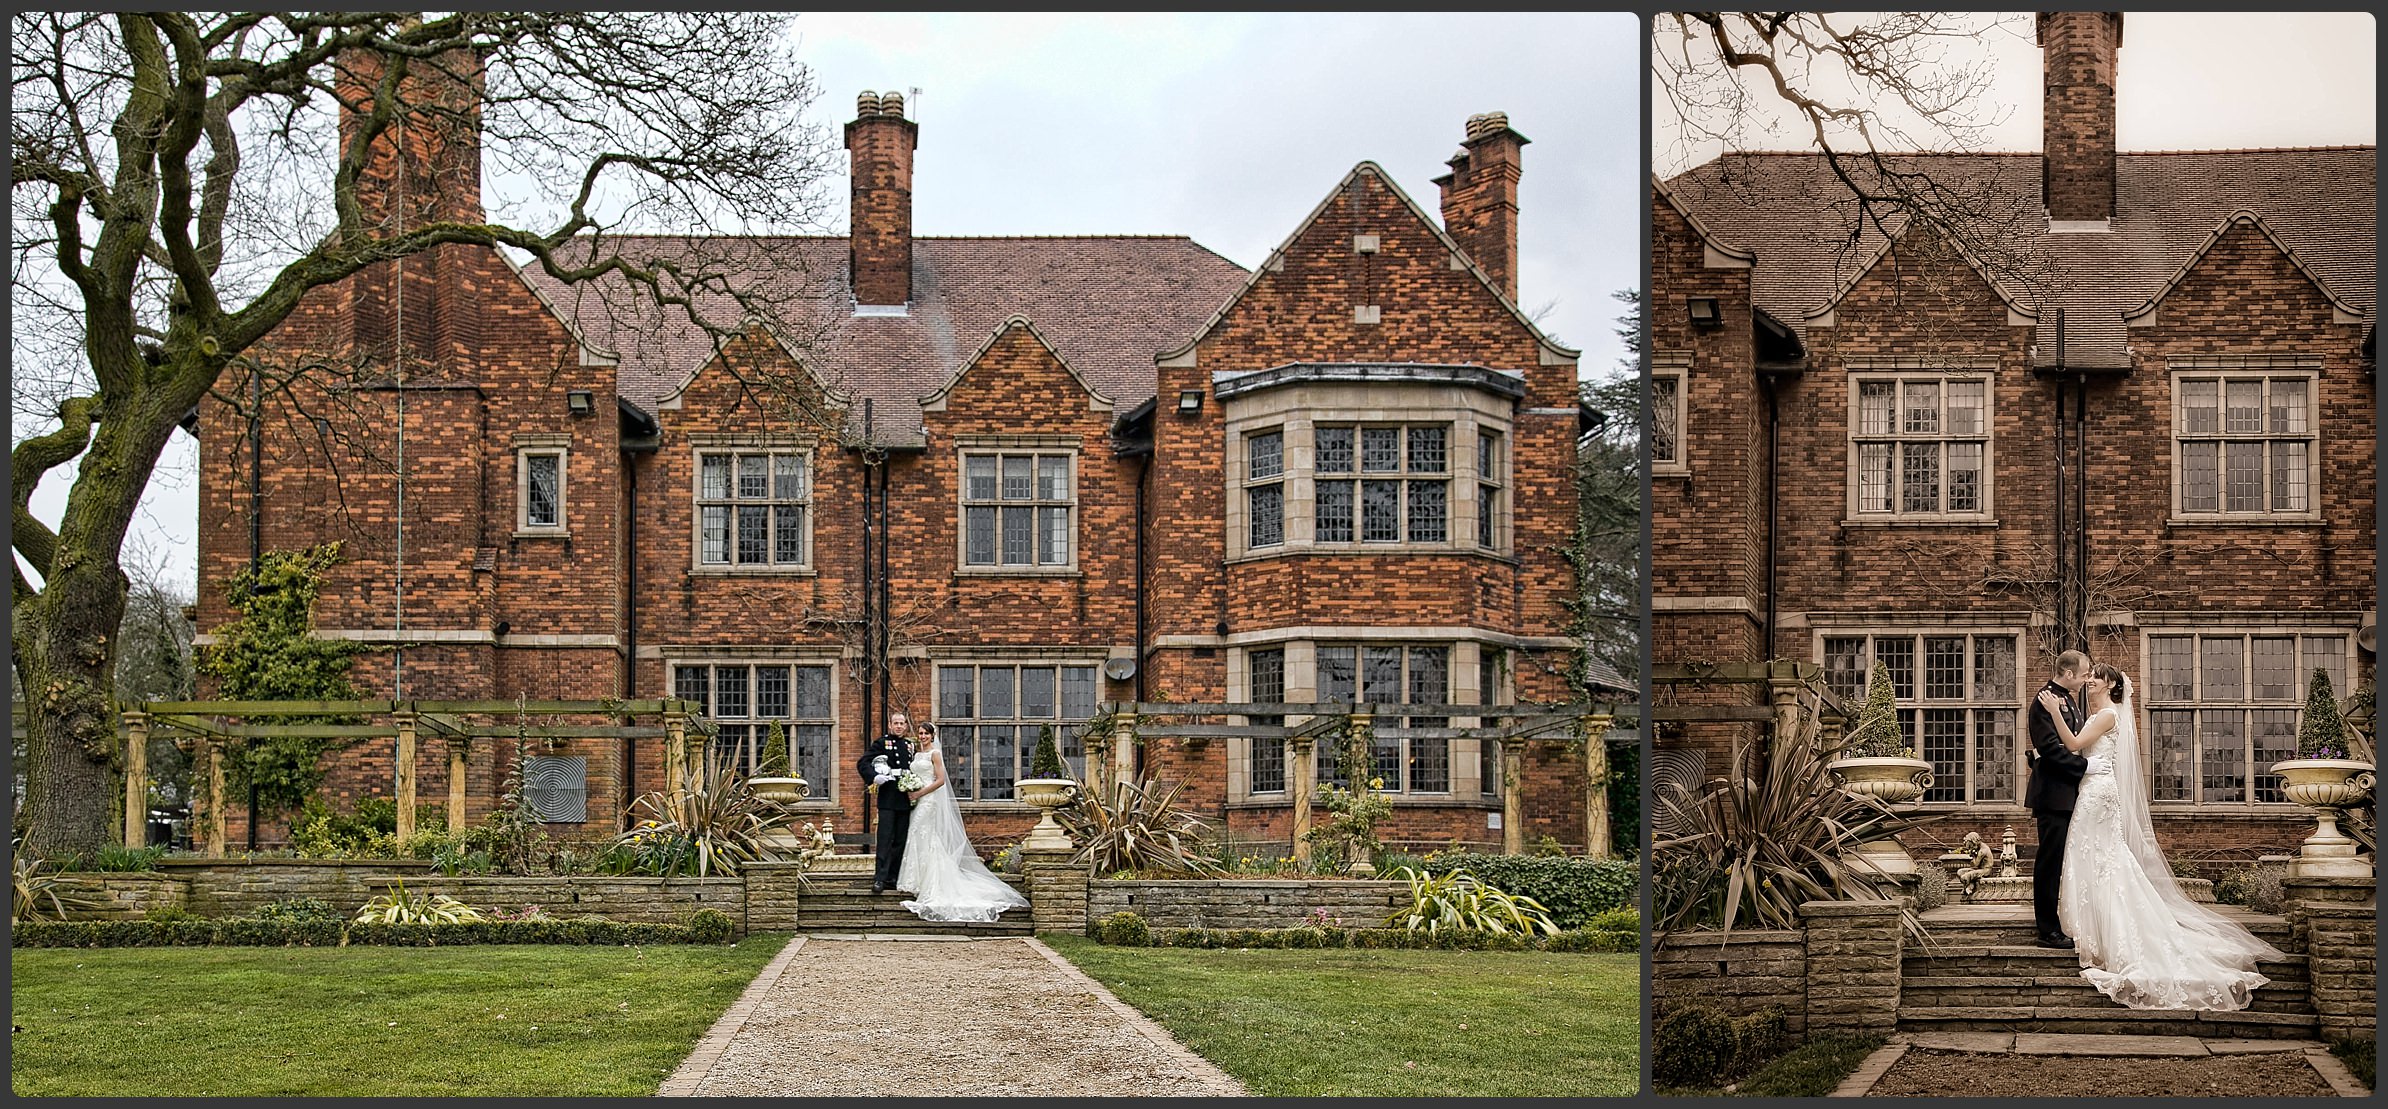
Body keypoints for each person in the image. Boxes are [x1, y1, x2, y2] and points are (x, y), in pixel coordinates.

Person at [2037, 663, 2285, 1010]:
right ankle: (2091, 928)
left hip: (2096, 794)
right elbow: (2079, 751)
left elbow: (2074, 743)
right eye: (2088, 674)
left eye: (2096, 676)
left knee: (2100, 857)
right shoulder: (2101, 715)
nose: (2090, 679)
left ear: (2110, 686)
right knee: (2097, 857)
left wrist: (2053, 713)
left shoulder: (2105, 716)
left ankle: (2106, 932)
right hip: (2093, 791)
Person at [897, 722, 1030, 923]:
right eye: (921, 733)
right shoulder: (916, 754)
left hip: (928, 800)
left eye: (926, 733)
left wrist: (920, 792)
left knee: (926, 836)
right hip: (917, 800)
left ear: (933, 736)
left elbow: (940, 780)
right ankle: (916, 880)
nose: (922, 736)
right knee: (916, 835)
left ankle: (932, 884)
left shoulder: (935, 754)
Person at [2022, 649, 2092, 949]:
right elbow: (2050, 748)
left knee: (2063, 860)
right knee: (2049, 862)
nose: (2088, 678)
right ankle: (2047, 930)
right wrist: (2085, 768)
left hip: (2068, 793)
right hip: (2052, 794)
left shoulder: (2069, 698)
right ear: (2068, 673)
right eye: (2085, 673)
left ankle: (2060, 922)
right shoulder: (2044, 700)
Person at [855, 711, 915, 895]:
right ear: (890, 725)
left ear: (905, 726)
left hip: (905, 799)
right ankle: (879, 878)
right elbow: (863, 762)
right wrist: (874, 777)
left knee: (900, 841)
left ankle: (893, 878)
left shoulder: (910, 745)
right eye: (895, 723)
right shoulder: (882, 743)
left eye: (901, 723)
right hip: (888, 798)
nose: (898, 726)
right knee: (884, 839)